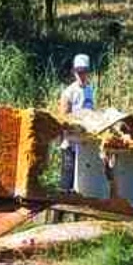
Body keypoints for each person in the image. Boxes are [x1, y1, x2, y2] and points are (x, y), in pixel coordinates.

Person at [57, 53, 95, 191]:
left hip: (84, 144)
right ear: (74, 71)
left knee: (80, 186)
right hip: (70, 144)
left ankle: (76, 212)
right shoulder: (69, 92)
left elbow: (92, 112)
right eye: (78, 71)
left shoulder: (90, 90)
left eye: (84, 71)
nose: (81, 74)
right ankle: (58, 211)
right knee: (66, 183)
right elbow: (63, 119)